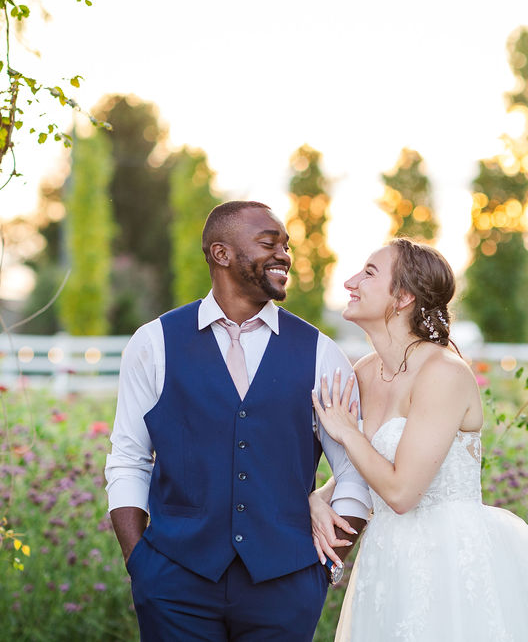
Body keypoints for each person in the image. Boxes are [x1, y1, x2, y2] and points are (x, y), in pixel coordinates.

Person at [105, 201, 371, 641]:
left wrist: (323, 570)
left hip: (285, 586)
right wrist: (141, 565)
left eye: (287, 246)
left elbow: (354, 473)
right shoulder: (154, 343)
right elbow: (129, 458)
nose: (284, 254)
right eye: (269, 243)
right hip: (174, 583)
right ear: (221, 253)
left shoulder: (322, 353)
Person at [309, 238, 528, 641]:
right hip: (385, 561)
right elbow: (360, 469)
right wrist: (314, 500)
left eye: (369, 273)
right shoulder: (364, 372)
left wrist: (346, 430)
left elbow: (402, 491)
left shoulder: (444, 373)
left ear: (404, 296)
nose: (350, 282)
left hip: (449, 565)